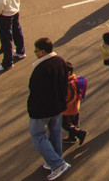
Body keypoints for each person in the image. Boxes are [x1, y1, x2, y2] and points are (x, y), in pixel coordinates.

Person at [27, 37, 71, 179]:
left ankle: (57, 164)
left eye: (36, 51)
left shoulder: (40, 69)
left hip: (42, 109)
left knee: (37, 136)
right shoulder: (60, 61)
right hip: (57, 106)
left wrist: (32, 109)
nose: (35, 53)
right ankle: (54, 159)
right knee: (55, 133)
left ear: (43, 52)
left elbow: (34, 91)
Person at [62, 60, 88, 146]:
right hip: (74, 108)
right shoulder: (71, 80)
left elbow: (71, 97)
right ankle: (72, 137)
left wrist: (63, 105)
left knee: (65, 124)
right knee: (74, 124)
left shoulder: (70, 84)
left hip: (69, 109)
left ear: (68, 73)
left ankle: (80, 134)